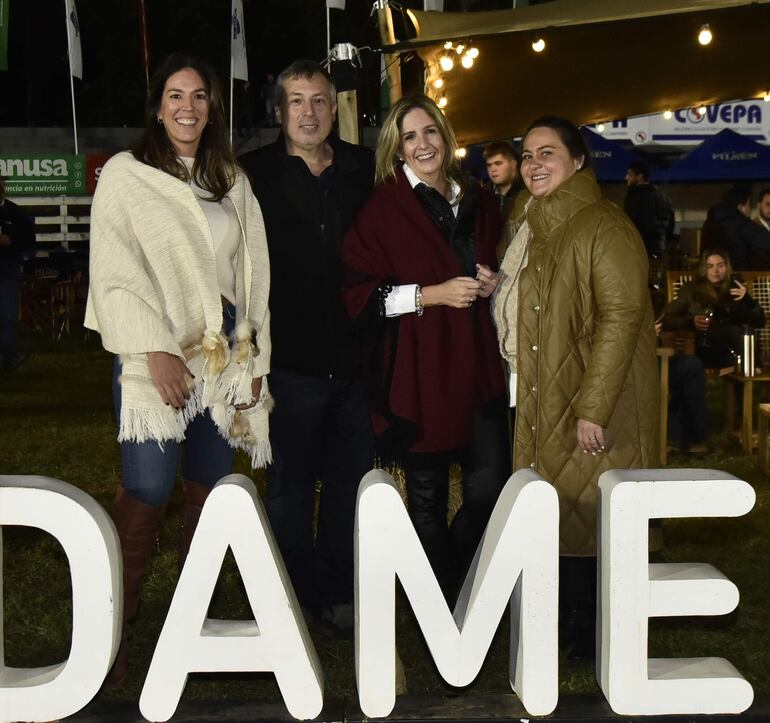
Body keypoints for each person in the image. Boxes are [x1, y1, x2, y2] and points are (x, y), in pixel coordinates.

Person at [85, 53, 272, 684]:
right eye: (175, 95)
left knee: (208, 491)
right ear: (157, 105)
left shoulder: (231, 179)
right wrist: (152, 348)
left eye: (198, 95)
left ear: (212, 105)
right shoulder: (127, 174)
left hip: (221, 356)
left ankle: (184, 639)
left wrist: (252, 357)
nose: (187, 107)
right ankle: (110, 636)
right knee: (148, 488)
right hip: (155, 354)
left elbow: (253, 274)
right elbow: (115, 269)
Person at [492, 115, 658, 659]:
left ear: (579, 161)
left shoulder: (604, 226)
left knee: (591, 514)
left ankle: (589, 638)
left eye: (548, 153)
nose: (534, 164)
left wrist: (594, 406)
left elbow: (622, 315)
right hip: (546, 393)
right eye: (528, 155)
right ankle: (563, 632)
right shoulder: (532, 226)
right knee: (559, 511)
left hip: (589, 400)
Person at [342, 95, 510, 605]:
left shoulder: (478, 201)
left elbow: (497, 260)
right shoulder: (383, 209)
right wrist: (431, 294)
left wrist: (492, 280)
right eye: (410, 137)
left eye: (430, 132)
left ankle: (448, 578)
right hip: (420, 371)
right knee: (427, 498)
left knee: (491, 486)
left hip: (477, 365)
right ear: (397, 150)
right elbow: (359, 296)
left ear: (446, 137)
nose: (423, 145)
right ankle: (435, 604)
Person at [239, 60, 375, 634]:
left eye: (319, 101)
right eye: (297, 101)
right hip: (286, 364)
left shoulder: (365, 169)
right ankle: (291, 601)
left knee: (349, 489)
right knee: (290, 492)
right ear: (279, 110)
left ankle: (340, 594)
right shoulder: (251, 175)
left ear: (333, 107)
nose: (310, 112)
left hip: (357, 362)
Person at [661, 248, 765, 369]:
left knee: (738, 333)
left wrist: (747, 299)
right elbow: (666, 320)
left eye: (720, 266)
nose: (715, 271)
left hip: (734, 350)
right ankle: (753, 371)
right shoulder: (691, 290)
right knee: (732, 333)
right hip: (703, 346)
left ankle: (751, 374)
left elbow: (760, 322)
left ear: (727, 267)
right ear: (703, 269)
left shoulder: (735, 288)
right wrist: (691, 322)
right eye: (710, 266)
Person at [0, 174, 35, 371]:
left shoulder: (14, 213)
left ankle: (10, 360)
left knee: (8, 318)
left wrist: (11, 243)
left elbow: (27, 242)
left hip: (6, 273)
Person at [701, 185, 770, 269]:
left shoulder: (710, 222)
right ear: (740, 207)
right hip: (740, 275)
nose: (750, 209)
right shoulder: (742, 223)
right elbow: (765, 241)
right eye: (748, 205)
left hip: (711, 272)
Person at [624, 160, 674, 258]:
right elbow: (670, 226)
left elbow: (629, 224)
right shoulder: (663, 197)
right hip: (660, 251)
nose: (626, 178)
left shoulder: (634, 196)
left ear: (639, 177)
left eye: (630, 174)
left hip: (639, 252)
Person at [483, 140, 522, 219]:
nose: (493, 169)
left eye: (498, 163)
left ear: (513, 164)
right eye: (489, 165)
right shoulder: (483, 194)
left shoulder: (528, 190)